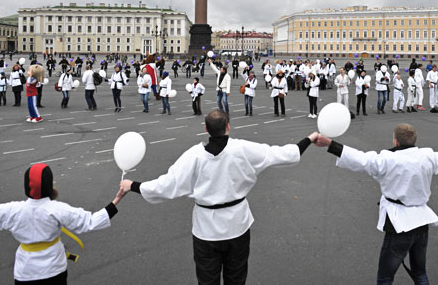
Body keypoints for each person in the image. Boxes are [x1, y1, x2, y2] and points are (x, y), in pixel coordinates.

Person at [119, 110, 319, 285]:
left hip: (206, 229)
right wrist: (308, 139)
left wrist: (133, 185)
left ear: (206, 129)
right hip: (237, 225)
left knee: (207, 280)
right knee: (236, 278)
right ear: (228, 127)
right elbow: (282, 154)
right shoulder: (241, 148)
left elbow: (165, 185)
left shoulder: (193, 155)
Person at [315, 123, 438, 284]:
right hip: (422, 222)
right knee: (419, 273)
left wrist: (330, 144)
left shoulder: (388, 158)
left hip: (399, 224)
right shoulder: (427, 156)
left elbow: (361, 160)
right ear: (414, 140)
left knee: (385, 277)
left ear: (395, 141)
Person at [0, 163, 125, 284]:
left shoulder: (14, 210)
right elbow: (90, 222)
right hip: (54, 270)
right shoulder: (57, 209)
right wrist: (117, 200)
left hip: (25, 272)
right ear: (50, 186)